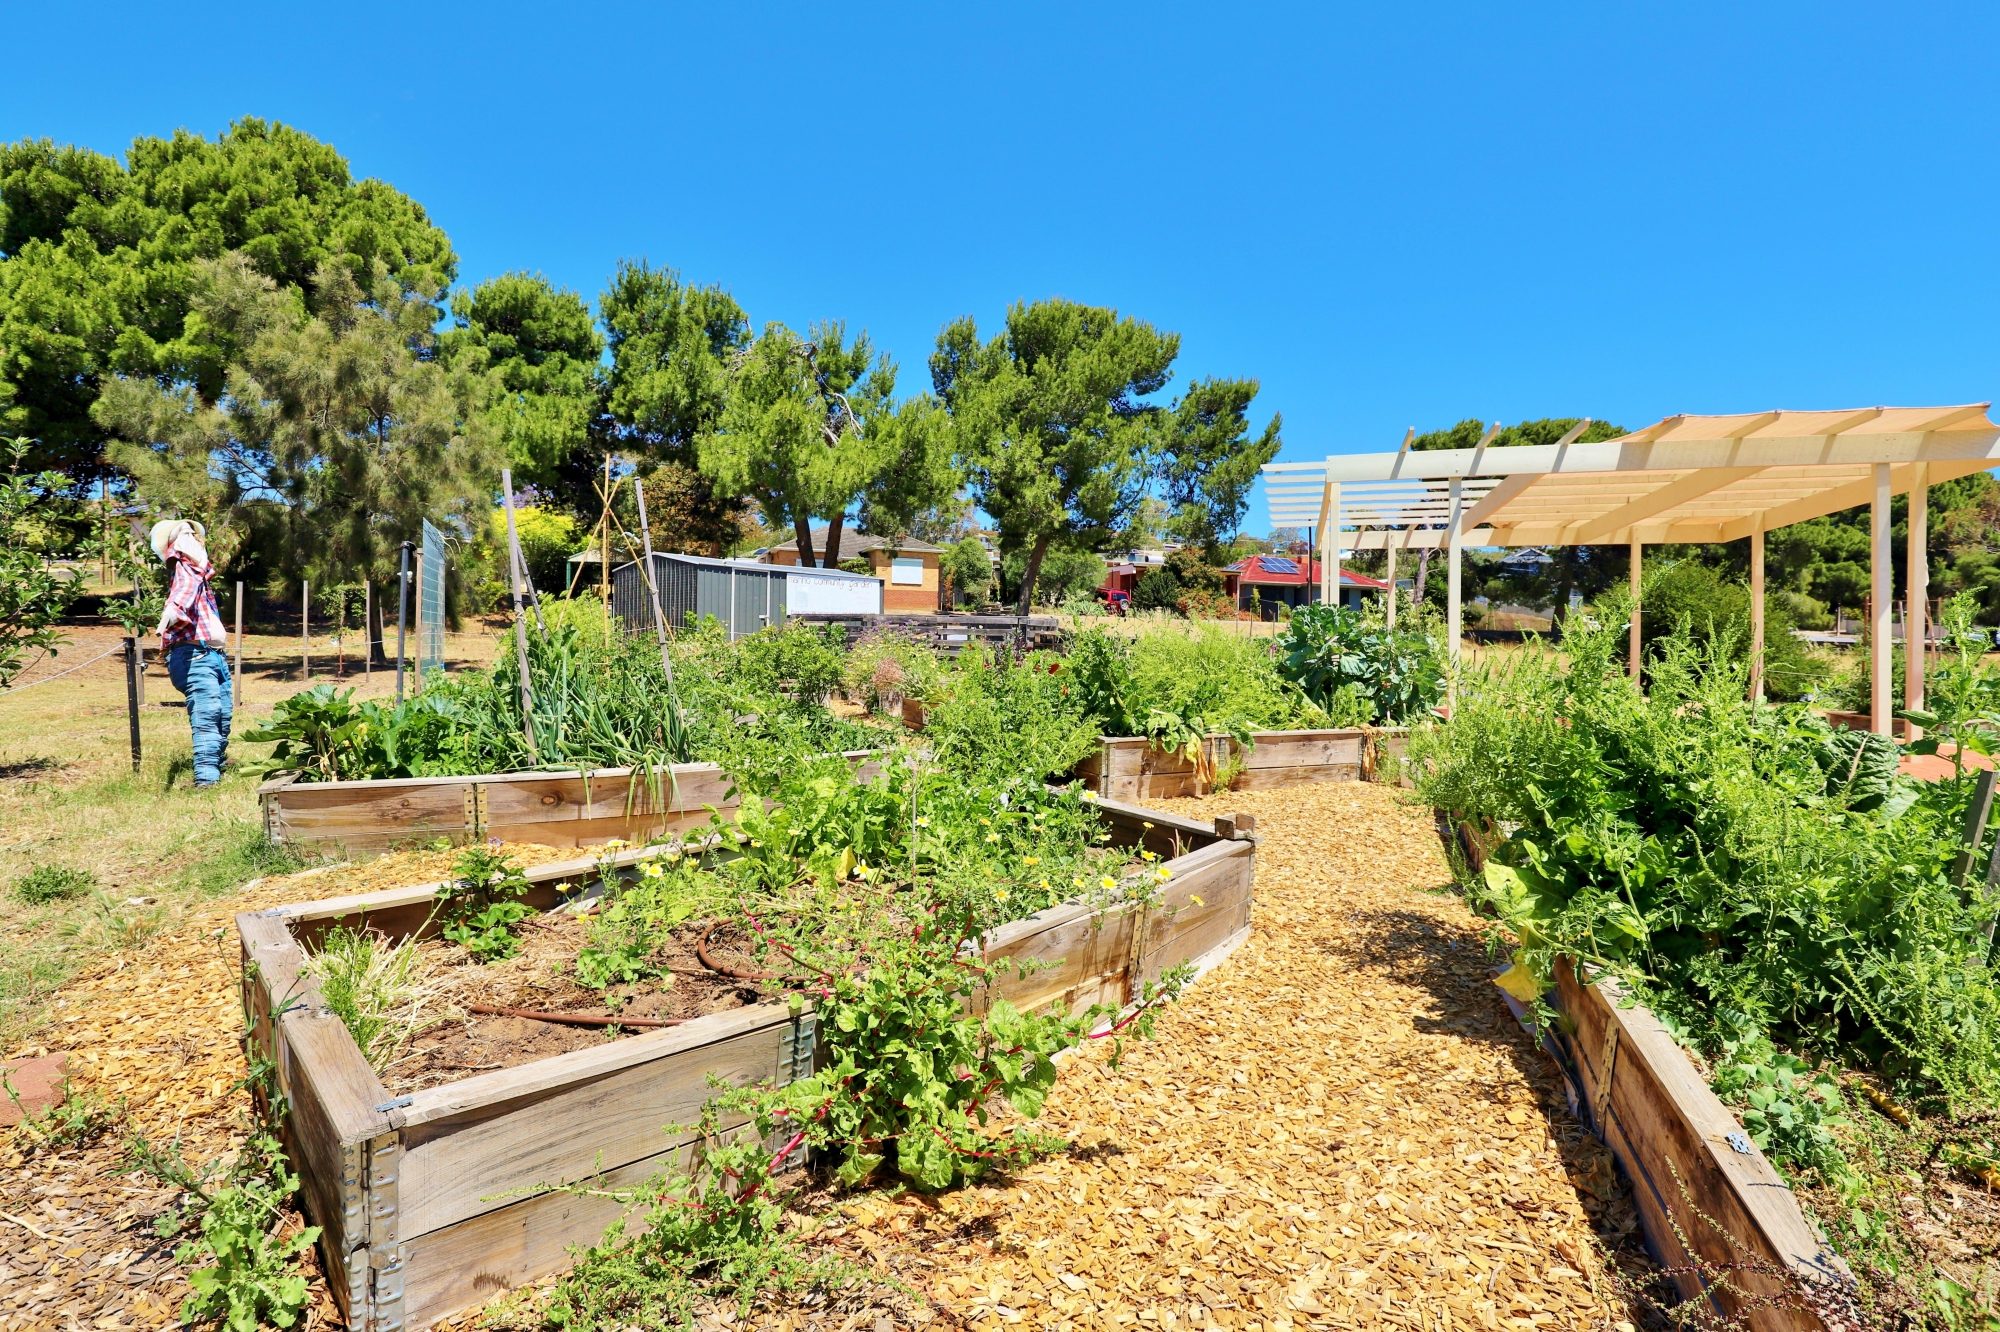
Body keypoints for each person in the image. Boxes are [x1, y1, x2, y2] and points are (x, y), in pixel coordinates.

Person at [150, 519, 232, 788]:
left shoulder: (200, 578)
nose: (191, 537)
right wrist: (171, 613)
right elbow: (181, 595)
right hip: (195, 656)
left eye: (191, 532)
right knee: (207, 716)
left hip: (214, 656)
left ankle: (217, 763)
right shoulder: (185, 569)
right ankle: (206, 779)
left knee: (223, 715)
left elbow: (193, 584)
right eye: (184, 533)